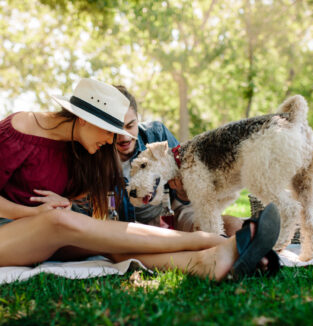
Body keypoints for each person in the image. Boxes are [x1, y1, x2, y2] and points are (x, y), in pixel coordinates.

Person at [0, 78, 280, 281]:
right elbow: (45, 214)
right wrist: (33, 213)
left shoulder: (80, 149)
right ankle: (211, 240)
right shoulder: (20, 127)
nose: (114, 139)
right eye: (109, 130)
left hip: (45, 238)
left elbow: (76, 198)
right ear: (84, 119)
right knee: (57, 221)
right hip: (10, 234)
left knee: (111, 245)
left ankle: (206, 262)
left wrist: (66, 201)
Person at [113, 85, 244, 235]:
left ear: (138, 118)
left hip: (170, 211)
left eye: (130, 125)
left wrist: (183, 193)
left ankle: (256, 243)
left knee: (233, 226)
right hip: (126, 225)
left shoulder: (156, 134)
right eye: (117, 129)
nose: (124, 137)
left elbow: (190, 194)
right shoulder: (97, 154)